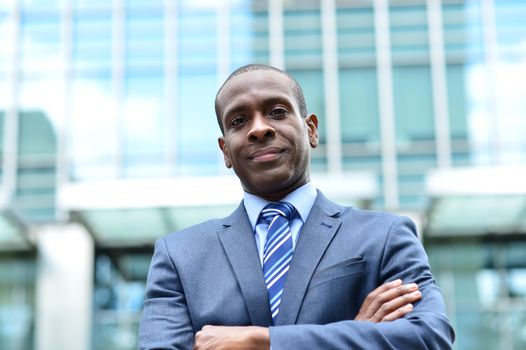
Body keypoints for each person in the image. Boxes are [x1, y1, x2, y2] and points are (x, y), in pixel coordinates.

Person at [139, 64, 455, 349]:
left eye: (276, 111)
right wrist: (356, 334)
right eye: (238, 121)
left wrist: (263, 341)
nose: (259, 128)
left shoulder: (385, 235)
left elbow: (429, 337)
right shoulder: (180, 256)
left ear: (311, 130)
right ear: (225, 151)